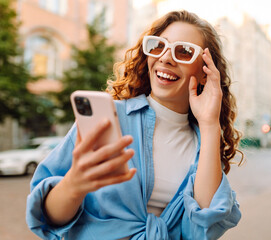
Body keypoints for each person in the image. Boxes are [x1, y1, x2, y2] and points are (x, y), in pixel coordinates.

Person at [26, 10, 243, 240]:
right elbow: (47, 217)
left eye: (184, 52)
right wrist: (74, 184)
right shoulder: (108, 117)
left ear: (204, 72)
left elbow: (207, 226)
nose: (166, 58)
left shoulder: (204, 143)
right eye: (158, 46)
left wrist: (209, 124)